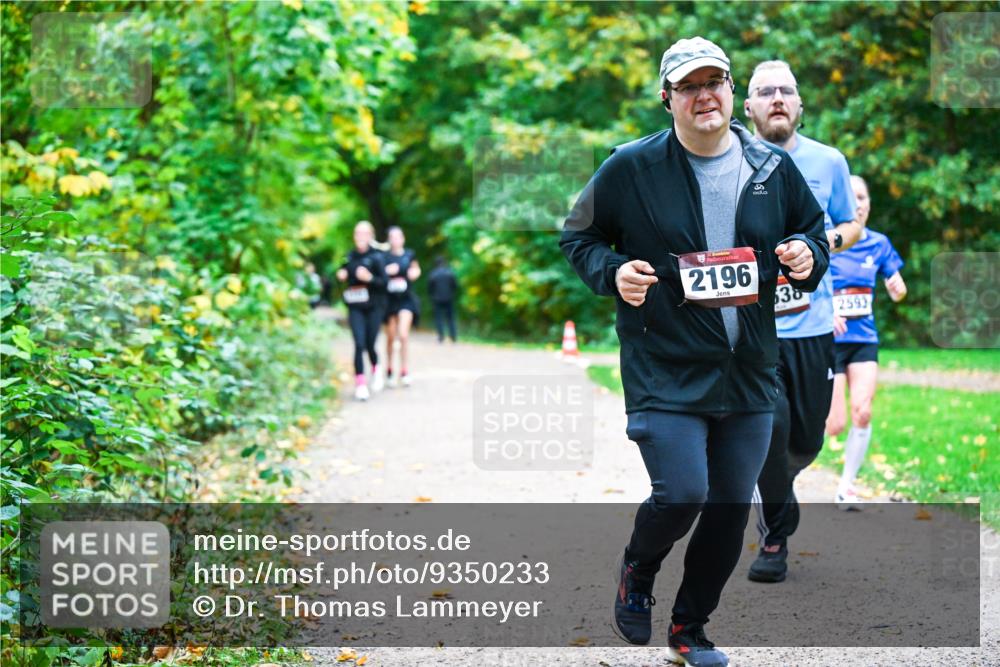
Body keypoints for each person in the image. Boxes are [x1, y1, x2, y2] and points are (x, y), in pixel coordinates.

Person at [560, 37, 828, 667]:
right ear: (668, 99)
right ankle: (638, 568)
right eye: (689, 86)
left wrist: (807, 255)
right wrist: (613, 272)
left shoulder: (770, 166)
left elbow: (813, 235)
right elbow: (581, 238)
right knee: (683, 493)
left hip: (748, 371)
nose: (704, 95)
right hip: (666, 366)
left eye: (715, 82)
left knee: (730, 509)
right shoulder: (631, 167)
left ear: (732, 90)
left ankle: (690, 629)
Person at [743, 60, 863, 584]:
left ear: (799, 105)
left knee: (805, 441)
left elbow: (851, 224)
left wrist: (821, 245)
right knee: (771, 430)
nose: (776, 98)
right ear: (746, 106)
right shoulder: (728, 160)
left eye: (785, 91)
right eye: (764, 91)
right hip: (752, 330)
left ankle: (775, 485)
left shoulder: (828, 161)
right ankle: (774, 539)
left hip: (812, 326)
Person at [825, 175, 907, 509]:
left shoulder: (879, 243)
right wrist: (827, 308)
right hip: (829, 342)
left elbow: (895, 280)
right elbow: (806, 286)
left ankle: (846, 486)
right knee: (834, 425)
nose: (858, 203)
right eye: (851, 197)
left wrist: (896, 287)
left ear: (869, 204)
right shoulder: (827, 243)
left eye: (862, 197)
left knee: (862, 411)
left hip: (864, 340)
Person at [336, 221, 387, 401]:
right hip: (355, 307)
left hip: (374, 307)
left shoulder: (377, 257)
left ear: (371, 236)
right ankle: (361, 384)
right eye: (358, 233)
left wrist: (370, 278)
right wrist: (341, 275)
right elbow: (341, 274)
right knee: (359, 344)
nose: (361, 237)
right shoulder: (349, 256)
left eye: (365, 233)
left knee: (370, 344)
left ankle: (376, 368)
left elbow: (384, 283)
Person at [382, 226, 421, 387]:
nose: (395, 240)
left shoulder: (409, 254)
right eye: (392, 237)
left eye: (398, 237)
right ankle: (390, 369)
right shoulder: (384, 257)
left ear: (403, 239)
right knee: (391, 337)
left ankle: (404, 370)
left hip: (406, 300)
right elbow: (378, 274)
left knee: (403, 335)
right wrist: (387, 271)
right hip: (389, 301)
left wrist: (415, 273)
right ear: (389, 240)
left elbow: (416, 269)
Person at [427, 256, 458, 343]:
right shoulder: (450, 273)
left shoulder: (433, 274)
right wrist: (452, 293)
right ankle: (453, 336)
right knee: (451, 318)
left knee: (439, 318)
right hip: (449, 298)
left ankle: (441, 336)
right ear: (444, 262)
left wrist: (432, 296)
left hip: (437, 299)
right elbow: (455, 286)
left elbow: (429, 288)